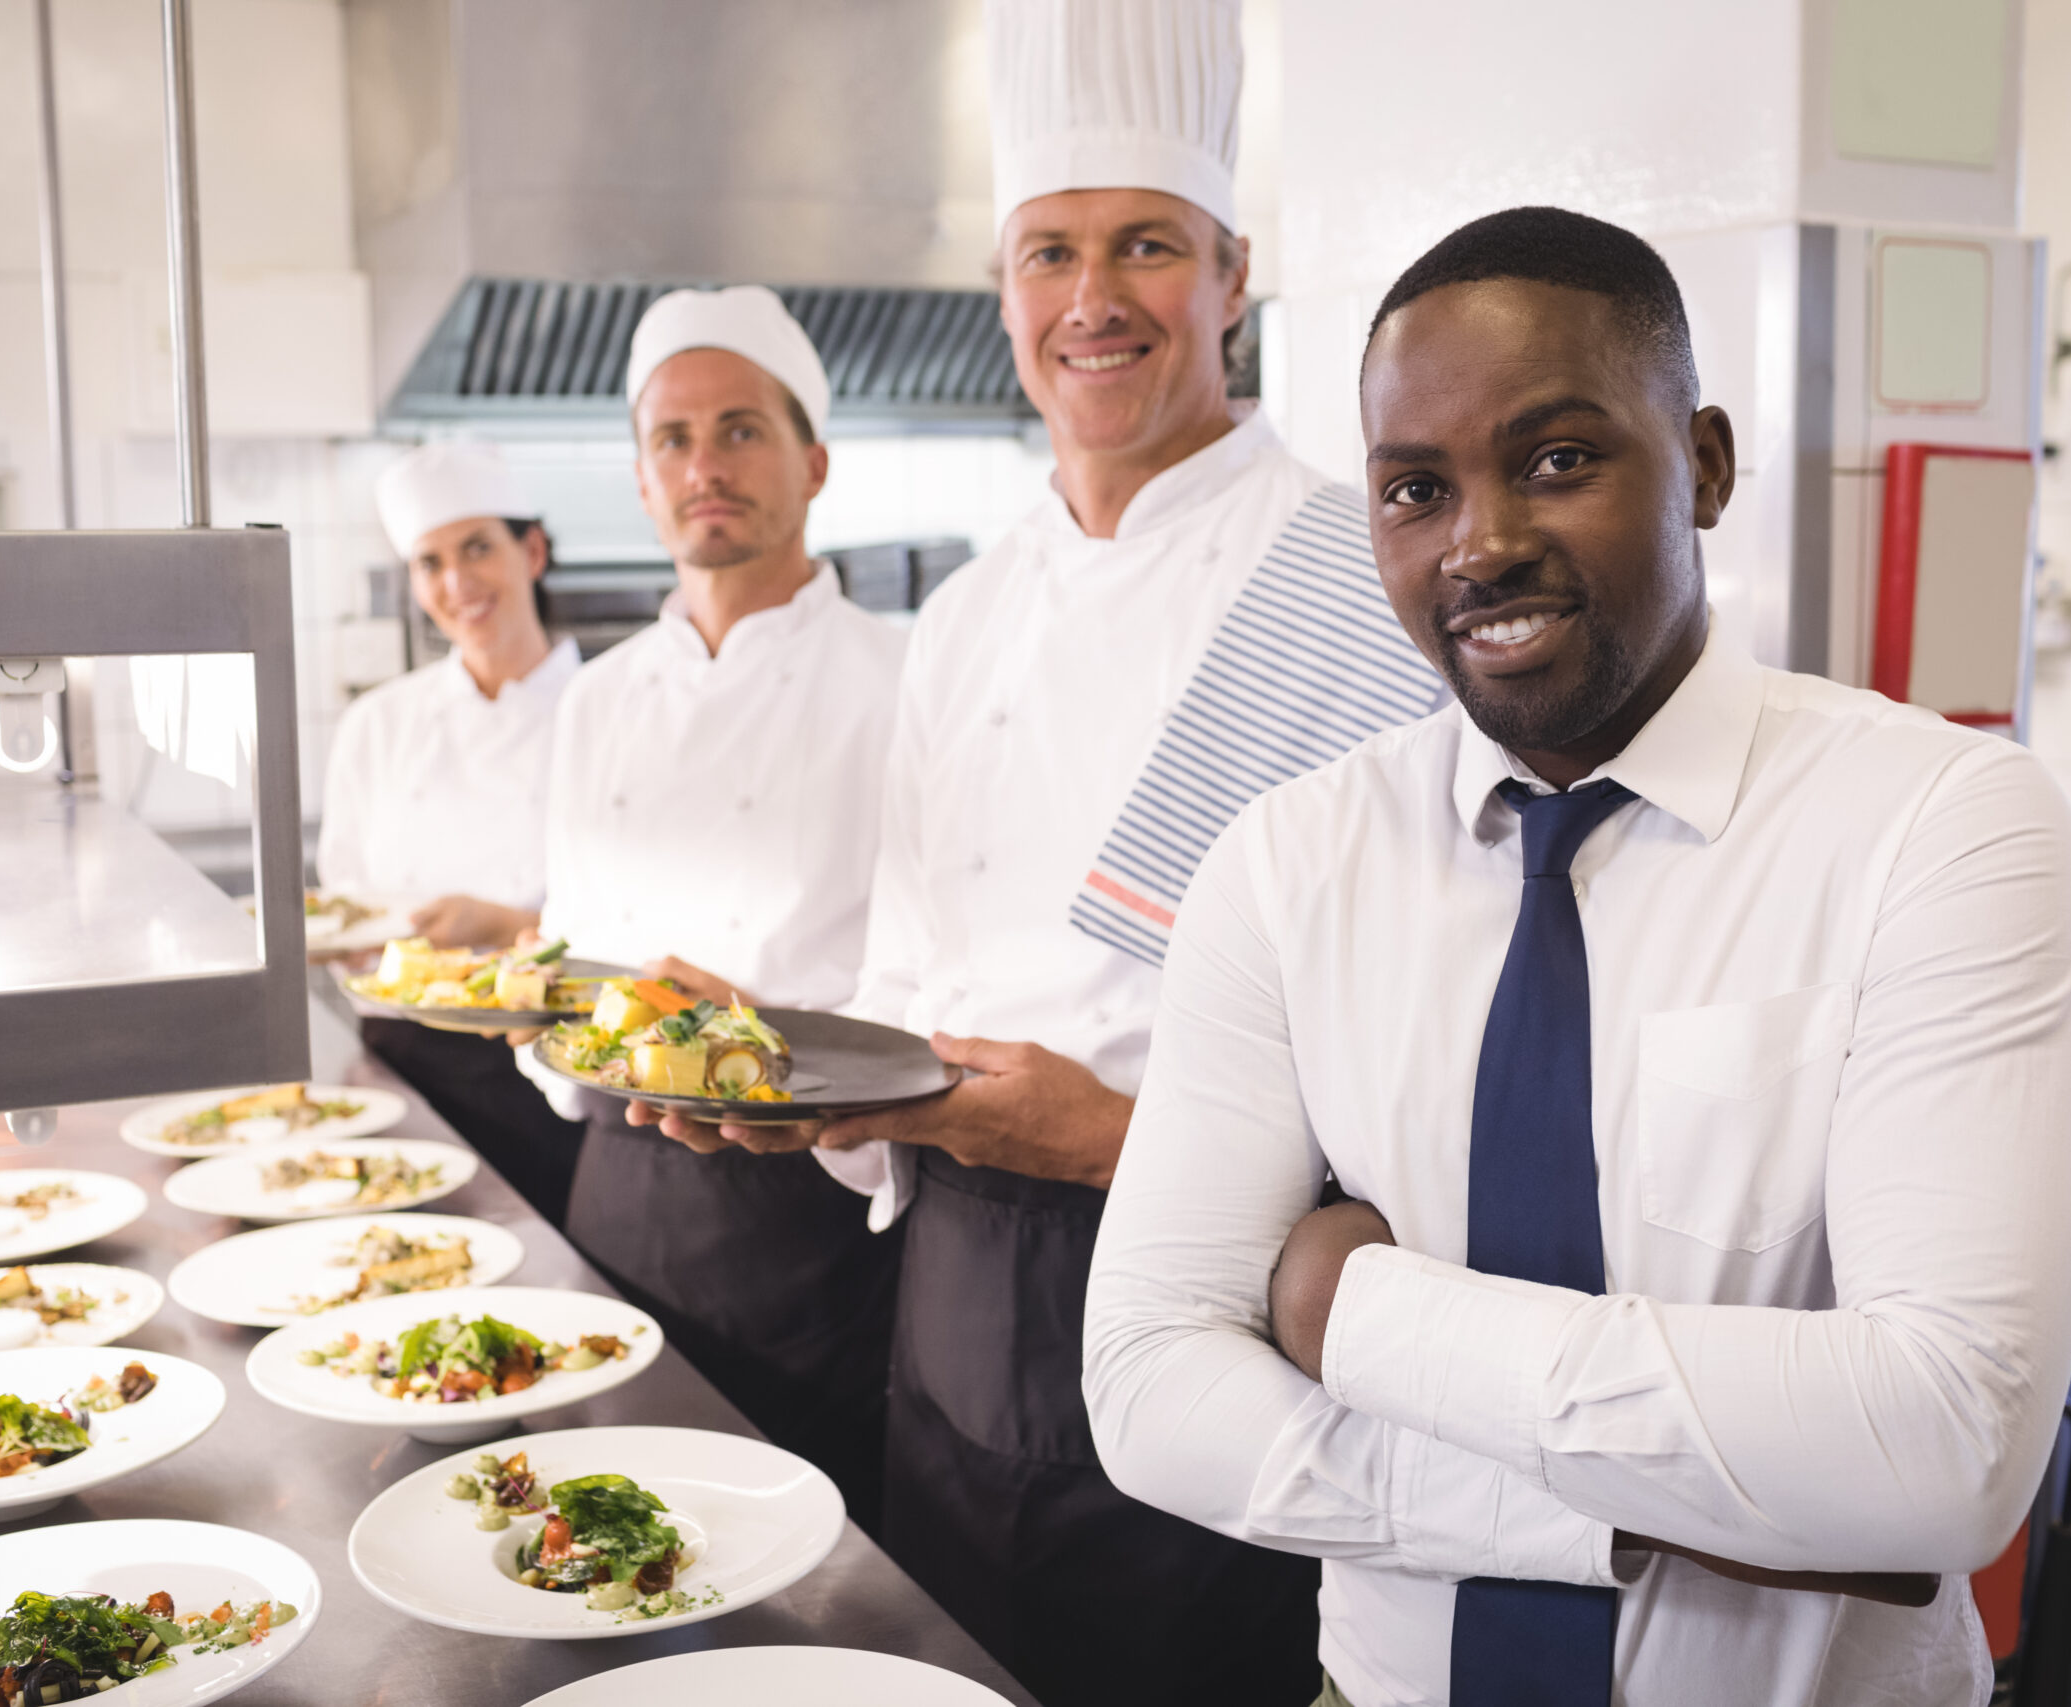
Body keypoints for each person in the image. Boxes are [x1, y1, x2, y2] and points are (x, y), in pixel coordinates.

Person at [1083, 206, 2071, 1707]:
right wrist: (1602, 1519)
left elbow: (1944, 1449)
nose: (1480, 542)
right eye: (1415, 489)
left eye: (1559, 459)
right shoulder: (1287, 864)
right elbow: (1151, 1387)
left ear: (1703, 461)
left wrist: (1346, 1309)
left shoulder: (1943, 826)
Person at [623, 4, 1448, 1701]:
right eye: (1050, 252)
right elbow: (910, 982)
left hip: (1216, 1286)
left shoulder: (1352, 578)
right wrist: (781, 1061)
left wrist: (1111, 1140)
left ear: (1230, 274)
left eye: (1147, 245)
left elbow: (1422, 1068)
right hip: (948, 1289)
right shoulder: (972, 611)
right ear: (1004, 296)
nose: (1095, 299)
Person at [519, 286, 909, 1532]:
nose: (704, 466)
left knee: (795, 1571)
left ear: (814, 461)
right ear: (641, 483)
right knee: (601, 1539)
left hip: (808, 1212)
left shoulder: (904, 681)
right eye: (672, 442)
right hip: (612, 1190)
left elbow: (934, 989)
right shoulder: (598, 697)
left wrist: (755, 1031)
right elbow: (562, 951)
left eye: (740, 429)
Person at [320, 440, 587, 1214]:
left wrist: (504, 925)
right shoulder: (378, 723)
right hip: (401, 1069)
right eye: (430, 562)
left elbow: (649, 927)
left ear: (531, 549)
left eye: (477, 548)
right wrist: (365, 945)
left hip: (556, 1069)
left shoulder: (606, 710)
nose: (456, 583)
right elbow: (344, 911)